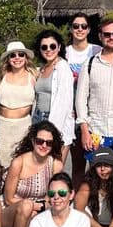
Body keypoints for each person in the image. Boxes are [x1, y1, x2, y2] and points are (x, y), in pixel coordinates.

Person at [75, 18, 113, 162]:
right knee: (97, 179)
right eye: (107, 34)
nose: (111, 38)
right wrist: (84, 131)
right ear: (100, 36)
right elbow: (80, 100)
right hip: (96, 133)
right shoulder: (89, 64)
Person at [1, 121, 64, 227]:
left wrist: (36, 208)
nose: (44, 145)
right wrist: (34, 205)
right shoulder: (19, 163)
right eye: (40, 141)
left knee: (33, 213)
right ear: (33, 141)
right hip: (10, 211)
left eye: (49, 143)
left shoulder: (55, 165)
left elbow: (51, 199)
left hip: (37, 212)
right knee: (26, 206)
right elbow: (8, 200)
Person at [65, 14, 102, 182]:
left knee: (98, 164)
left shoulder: (97, 51)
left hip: (94, 114)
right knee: (78, 165)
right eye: (76, 26)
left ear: (89, 29)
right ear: (71, 28)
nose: (79, 29)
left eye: (83, 26)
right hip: (72, 115)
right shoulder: (64, 52)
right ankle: (77, 204)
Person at [33, 30, 74, 162]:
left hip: (55, 122)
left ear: (59, 47)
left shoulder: (63, 68)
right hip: (38, 119)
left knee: (53, 168)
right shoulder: (43, 68)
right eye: (44, 47)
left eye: (52, 46)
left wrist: (52, 131)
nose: (48, 50)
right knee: (39, 167)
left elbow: (63, 102)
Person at [0, 40, 36, 168]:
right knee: (0, 163)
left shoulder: (34, 76)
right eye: (13, 55)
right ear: (8, 59)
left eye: (21, 54)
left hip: (24, 126)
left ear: (26, 57)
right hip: (1, 125)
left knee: (21, 164)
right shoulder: (2, 75)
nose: (17, 58)